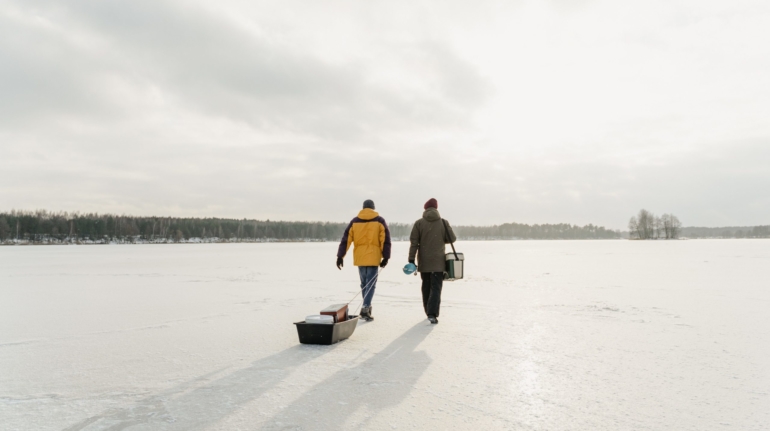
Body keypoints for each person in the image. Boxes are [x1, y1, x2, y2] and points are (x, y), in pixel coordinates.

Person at [336, 199, 391, 321]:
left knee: (364, 284)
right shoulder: (379, 221)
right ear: (373, 208)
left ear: (363, 208)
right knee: (370, 284)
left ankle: (366, 307)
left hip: (360, 258)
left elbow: (346, 239)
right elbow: (385, 239)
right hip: (373, 257)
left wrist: (340, 256)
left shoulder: (355, 221)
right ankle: (366, 308)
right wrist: (386, 257)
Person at [408, 198, 456, 324]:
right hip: (438, 263)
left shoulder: (419, 223)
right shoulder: (443, 223)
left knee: (426, 286)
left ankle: (428, 311)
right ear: (436, 208)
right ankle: (432, 313)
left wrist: (411, 259)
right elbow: (452, 238)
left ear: (425, 209)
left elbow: (414, 243)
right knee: (436, 288)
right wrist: (440, 239)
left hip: (424, 262)